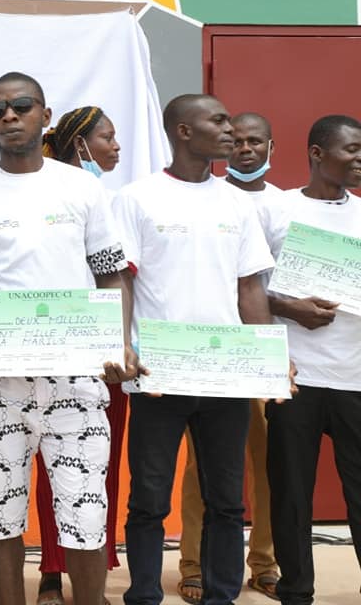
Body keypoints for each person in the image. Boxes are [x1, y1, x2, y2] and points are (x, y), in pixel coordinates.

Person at [0, 72, 139, 605]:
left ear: (45, 116)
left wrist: (119, 345)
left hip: (76, 378)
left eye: (21, 106)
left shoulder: (82, 188)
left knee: (86, 514)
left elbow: (111, 275)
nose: (9, 116)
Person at [113, 94, 281, 605]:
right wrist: (120, 345)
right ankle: (144, 595)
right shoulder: (137, 198)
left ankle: (220, 596)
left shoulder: (237, 203)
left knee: (226, 501)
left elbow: (249, 288)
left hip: (225, 375)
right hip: (157, 374)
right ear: (184, 131)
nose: (231, 129)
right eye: (219, 121)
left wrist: (270, 360)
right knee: (149, 499)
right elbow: (121, 279)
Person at [177, 111, 282, 604]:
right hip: (208, 353)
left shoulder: (285, 206)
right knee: (202, 468)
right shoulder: (204, 198)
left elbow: (277, 286)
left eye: (254, 141)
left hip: (263, 351)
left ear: (271, 148)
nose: (244, 148)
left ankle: (264, 563)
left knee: (267, 464)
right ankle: (194, 564)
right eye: (236, 140)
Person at [263, 114, 361, 605]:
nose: (360, 158)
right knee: (291, 494)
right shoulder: (276, 210)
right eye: (352, 149)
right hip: (295, 374)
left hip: (355, 375)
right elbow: (246, 287)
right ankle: (296, 591)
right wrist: (289, 308)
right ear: (317, 153)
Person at [33, 106, 125, 605]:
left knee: (96, 475)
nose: (116, 146)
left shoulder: (113, 200)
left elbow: (120, 277)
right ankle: (52, 570)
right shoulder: (41, 194)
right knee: (51, 472)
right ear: (80, 144)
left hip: (104, 357)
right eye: (107, 137)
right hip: (46, 355)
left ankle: (93, 579)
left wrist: (121, 345)